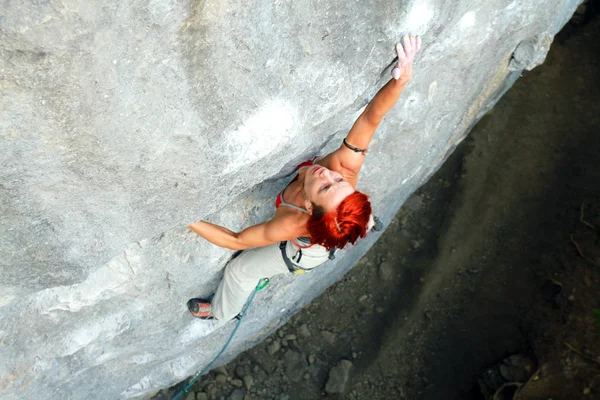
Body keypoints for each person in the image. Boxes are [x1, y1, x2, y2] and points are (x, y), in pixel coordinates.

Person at [187, 35, 422, 320]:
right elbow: (372, 117)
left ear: (310, 207)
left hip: (307, 250)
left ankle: (220, 313)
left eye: (324, 186)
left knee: (239, 271)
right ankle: (364, 221)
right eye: (339, 183)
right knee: (346, 204)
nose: (329, 174)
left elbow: (236, 240)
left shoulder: (292, 224)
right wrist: (401, 81)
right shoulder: (344, 166)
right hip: (330, 217)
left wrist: (184, 217)